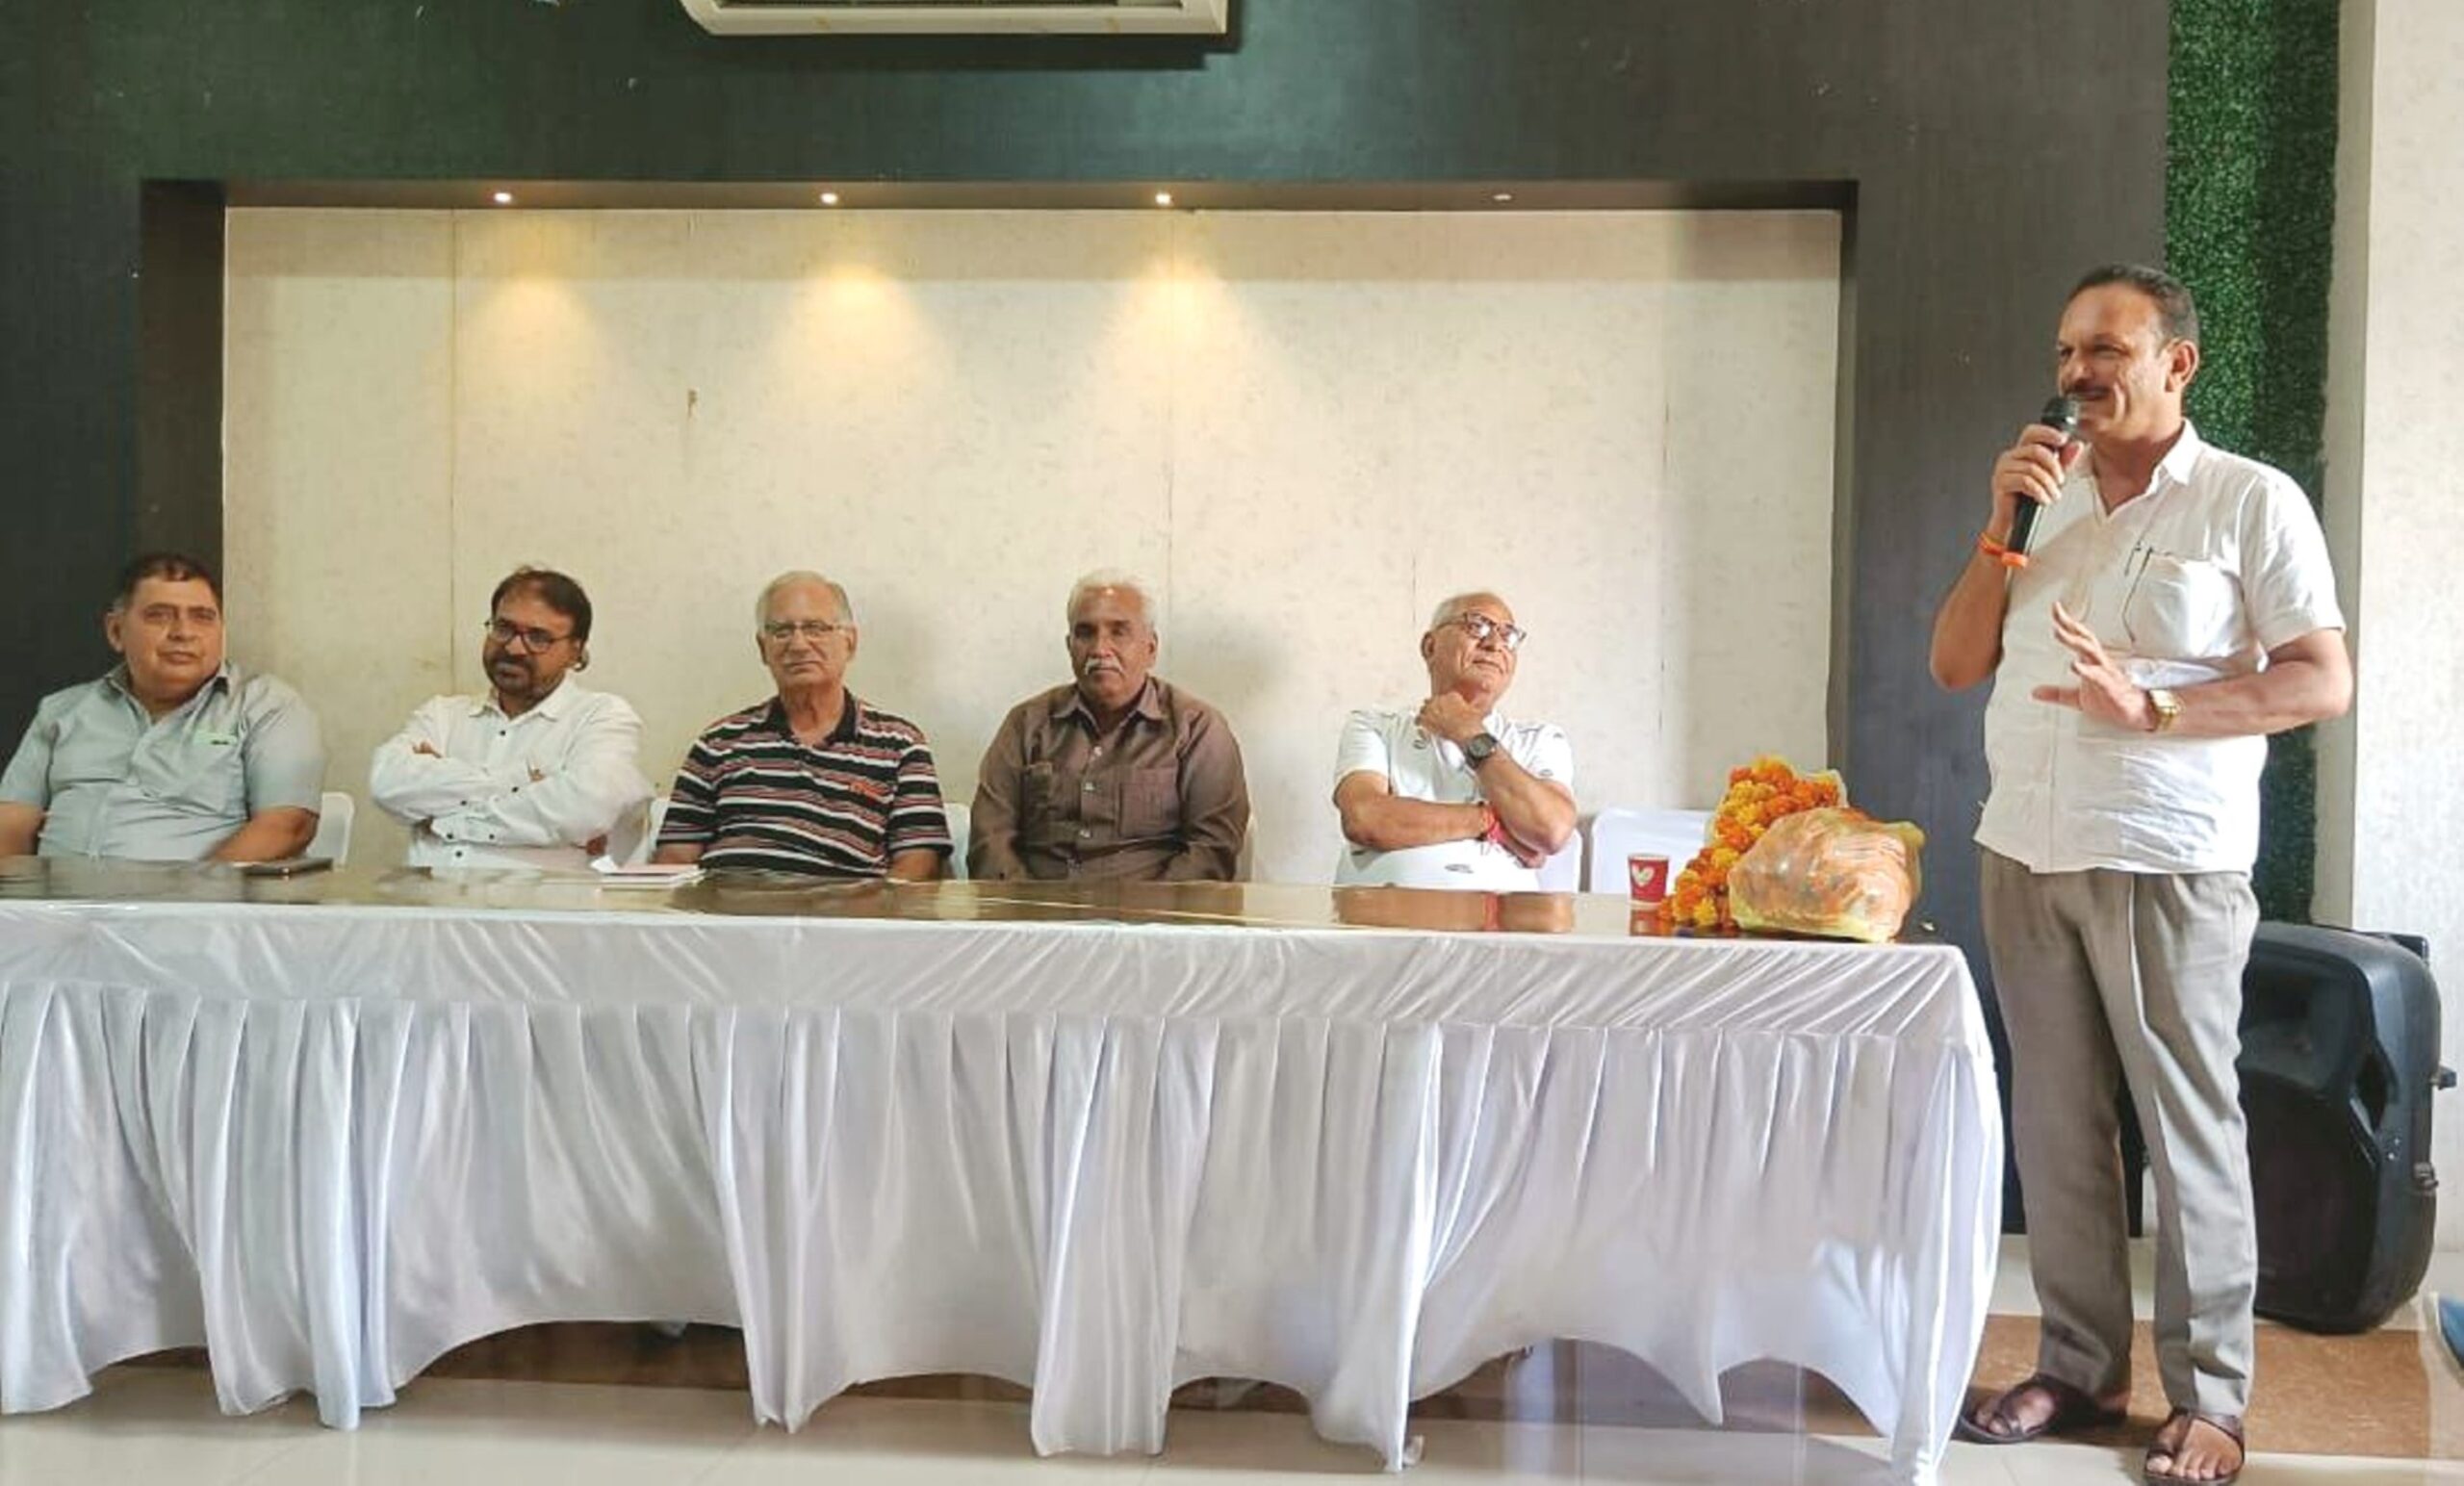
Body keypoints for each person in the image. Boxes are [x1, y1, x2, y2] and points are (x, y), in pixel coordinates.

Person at [1931, 264, 2350, 1486]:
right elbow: (1954, 662)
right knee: (2056, 1124)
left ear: (2177, 362)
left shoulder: (2246, 500)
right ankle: (2079, 1366)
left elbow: (2319, 678)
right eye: (2067, 351)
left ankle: (2211, 1396)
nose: (2078, 373)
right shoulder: (2039, 495)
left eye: (2106, 350)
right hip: (2025, 844)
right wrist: (1999, 525)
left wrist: (2152, 706)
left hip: (2166, 858)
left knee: (2187, 1128)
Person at [0, 551, 325, 862]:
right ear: (116, 631)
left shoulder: (265, 706)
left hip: (197, 898)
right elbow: (11, 822)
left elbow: (288, 826)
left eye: (202, 618)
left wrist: (195, 891)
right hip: (53, 899)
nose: (184, 633)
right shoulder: (62, 711)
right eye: (160, 616)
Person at [654, 571, 950, 879]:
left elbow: (919, 863)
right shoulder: (717, 743)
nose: (798, 644)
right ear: (762, 648)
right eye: (781, 631)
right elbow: (675, 856)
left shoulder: (900, 745)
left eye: (815, 628)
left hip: (843, 906)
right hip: (726, 904)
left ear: (850, 642)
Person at [969, 570, 1249, 881]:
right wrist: (1024, 907)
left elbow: (1211, 851)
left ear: (1151, 648)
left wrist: (1150, 911)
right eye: (1085, 633)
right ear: (1069, 646)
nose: (1099, 649)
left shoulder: (1196, 729)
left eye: (1119, 632)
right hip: (1032, 907)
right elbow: (989, 838)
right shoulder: (1026, 724)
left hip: (1151, 909)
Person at [368, 566, 653, 870]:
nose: (514, 648)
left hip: (541, 900)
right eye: (503, 628)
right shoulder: (442, 714)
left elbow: (584, 810)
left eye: (538, 637)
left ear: (575, 651)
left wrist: (444, 821)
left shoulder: (601, 716)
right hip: (429, 898)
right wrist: (521, 781)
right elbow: (388, 785)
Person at [1331, 591, 1576, 890]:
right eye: (1477, 625)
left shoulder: (1541, 739)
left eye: (1508, 635)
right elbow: (1365, 819)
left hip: (1504, 918)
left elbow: (1552, 830)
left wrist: (1468, 732)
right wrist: (1490, 820)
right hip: (1384, 916)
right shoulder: (1374, 725)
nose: (1494, 644)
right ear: (1430, 646)